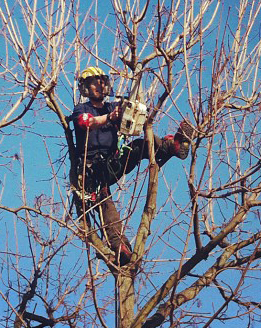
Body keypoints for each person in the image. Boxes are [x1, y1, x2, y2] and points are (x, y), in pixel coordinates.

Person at [70, 66, 194, 266]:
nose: (99, 86)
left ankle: (174, 146)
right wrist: (109, 118)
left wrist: (131, 105)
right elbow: (86, 123)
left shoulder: (113, 107)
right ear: (85, 87)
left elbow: (135, 115)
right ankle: (121, 248)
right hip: (92, 170)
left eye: (101, 81)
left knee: (142, 144)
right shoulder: (82, 110)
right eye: (94, 82)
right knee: (104, 203)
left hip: (113, 162)